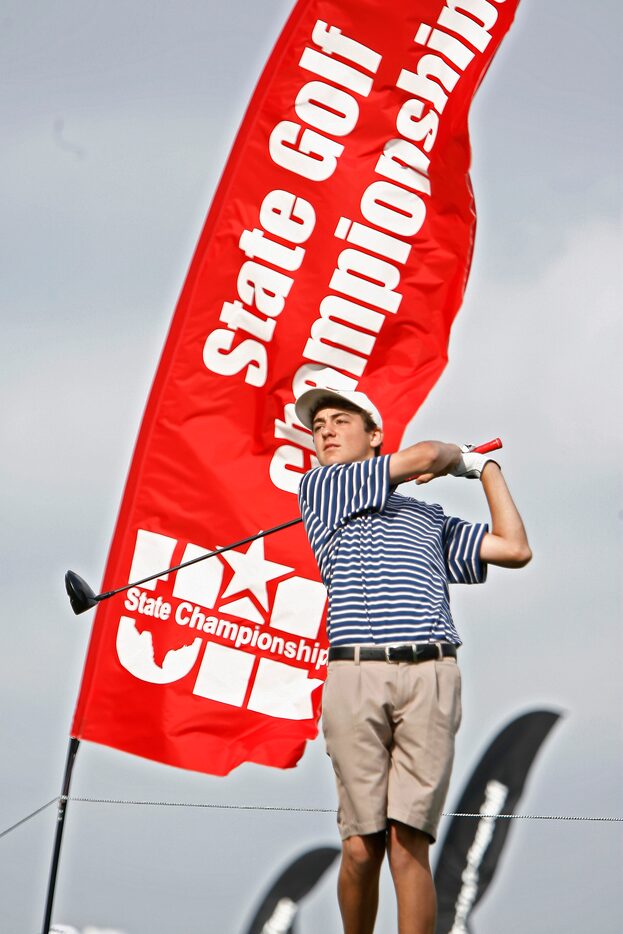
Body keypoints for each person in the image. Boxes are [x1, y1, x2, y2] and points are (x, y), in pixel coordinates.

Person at [294, 387, 531, 934]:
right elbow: (424, 456)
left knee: (408, 843)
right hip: (355, 673)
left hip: (432, 674)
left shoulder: (428, 517)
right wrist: (450, 455)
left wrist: (484, 468)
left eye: (340, 420)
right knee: (360, 846)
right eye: (318, 426)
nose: (325, 431)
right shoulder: (324, 488)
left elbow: (514, 548)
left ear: (374, 435)